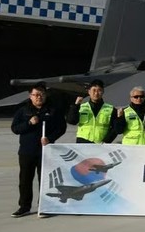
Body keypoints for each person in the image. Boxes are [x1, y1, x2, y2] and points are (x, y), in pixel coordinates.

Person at [10, 83, 66, 218]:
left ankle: (44, 206)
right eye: (36, 95)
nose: (39, 97)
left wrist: (50, 138)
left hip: (45, 151)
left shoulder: (53, 111)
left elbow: (61, 128)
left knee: (44, 180)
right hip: (27, 151)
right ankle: (24, 207)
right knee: (25, 180)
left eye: (41, 94)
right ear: (30, 96)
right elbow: (15, 128)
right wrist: (29, 123)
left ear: (45, 96)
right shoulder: (23, 111)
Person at [66, 79, 124, 144]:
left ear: (103, 92)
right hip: (82, 144)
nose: (96, 93)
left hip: (100, 145)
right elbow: (71, 121)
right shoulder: (81, 107)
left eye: (99, 90)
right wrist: (76, 106)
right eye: (94, 90)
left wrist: (107, 141)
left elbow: (116, 129)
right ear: (89, 92)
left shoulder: (111, 109)